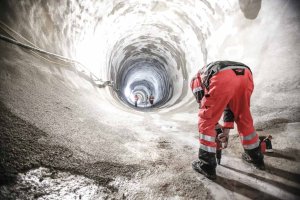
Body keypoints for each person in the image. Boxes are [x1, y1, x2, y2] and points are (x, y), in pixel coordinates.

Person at [190, 61, 264, 180]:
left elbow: (207, 110)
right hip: (245, 74)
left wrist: (216, 127)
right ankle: (256, 157)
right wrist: (225, 130)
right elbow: (229, 104)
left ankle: (206, 166)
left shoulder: (195, 81)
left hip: (221, 76)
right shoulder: (206, 73)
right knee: (243, 116)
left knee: (206, 120)